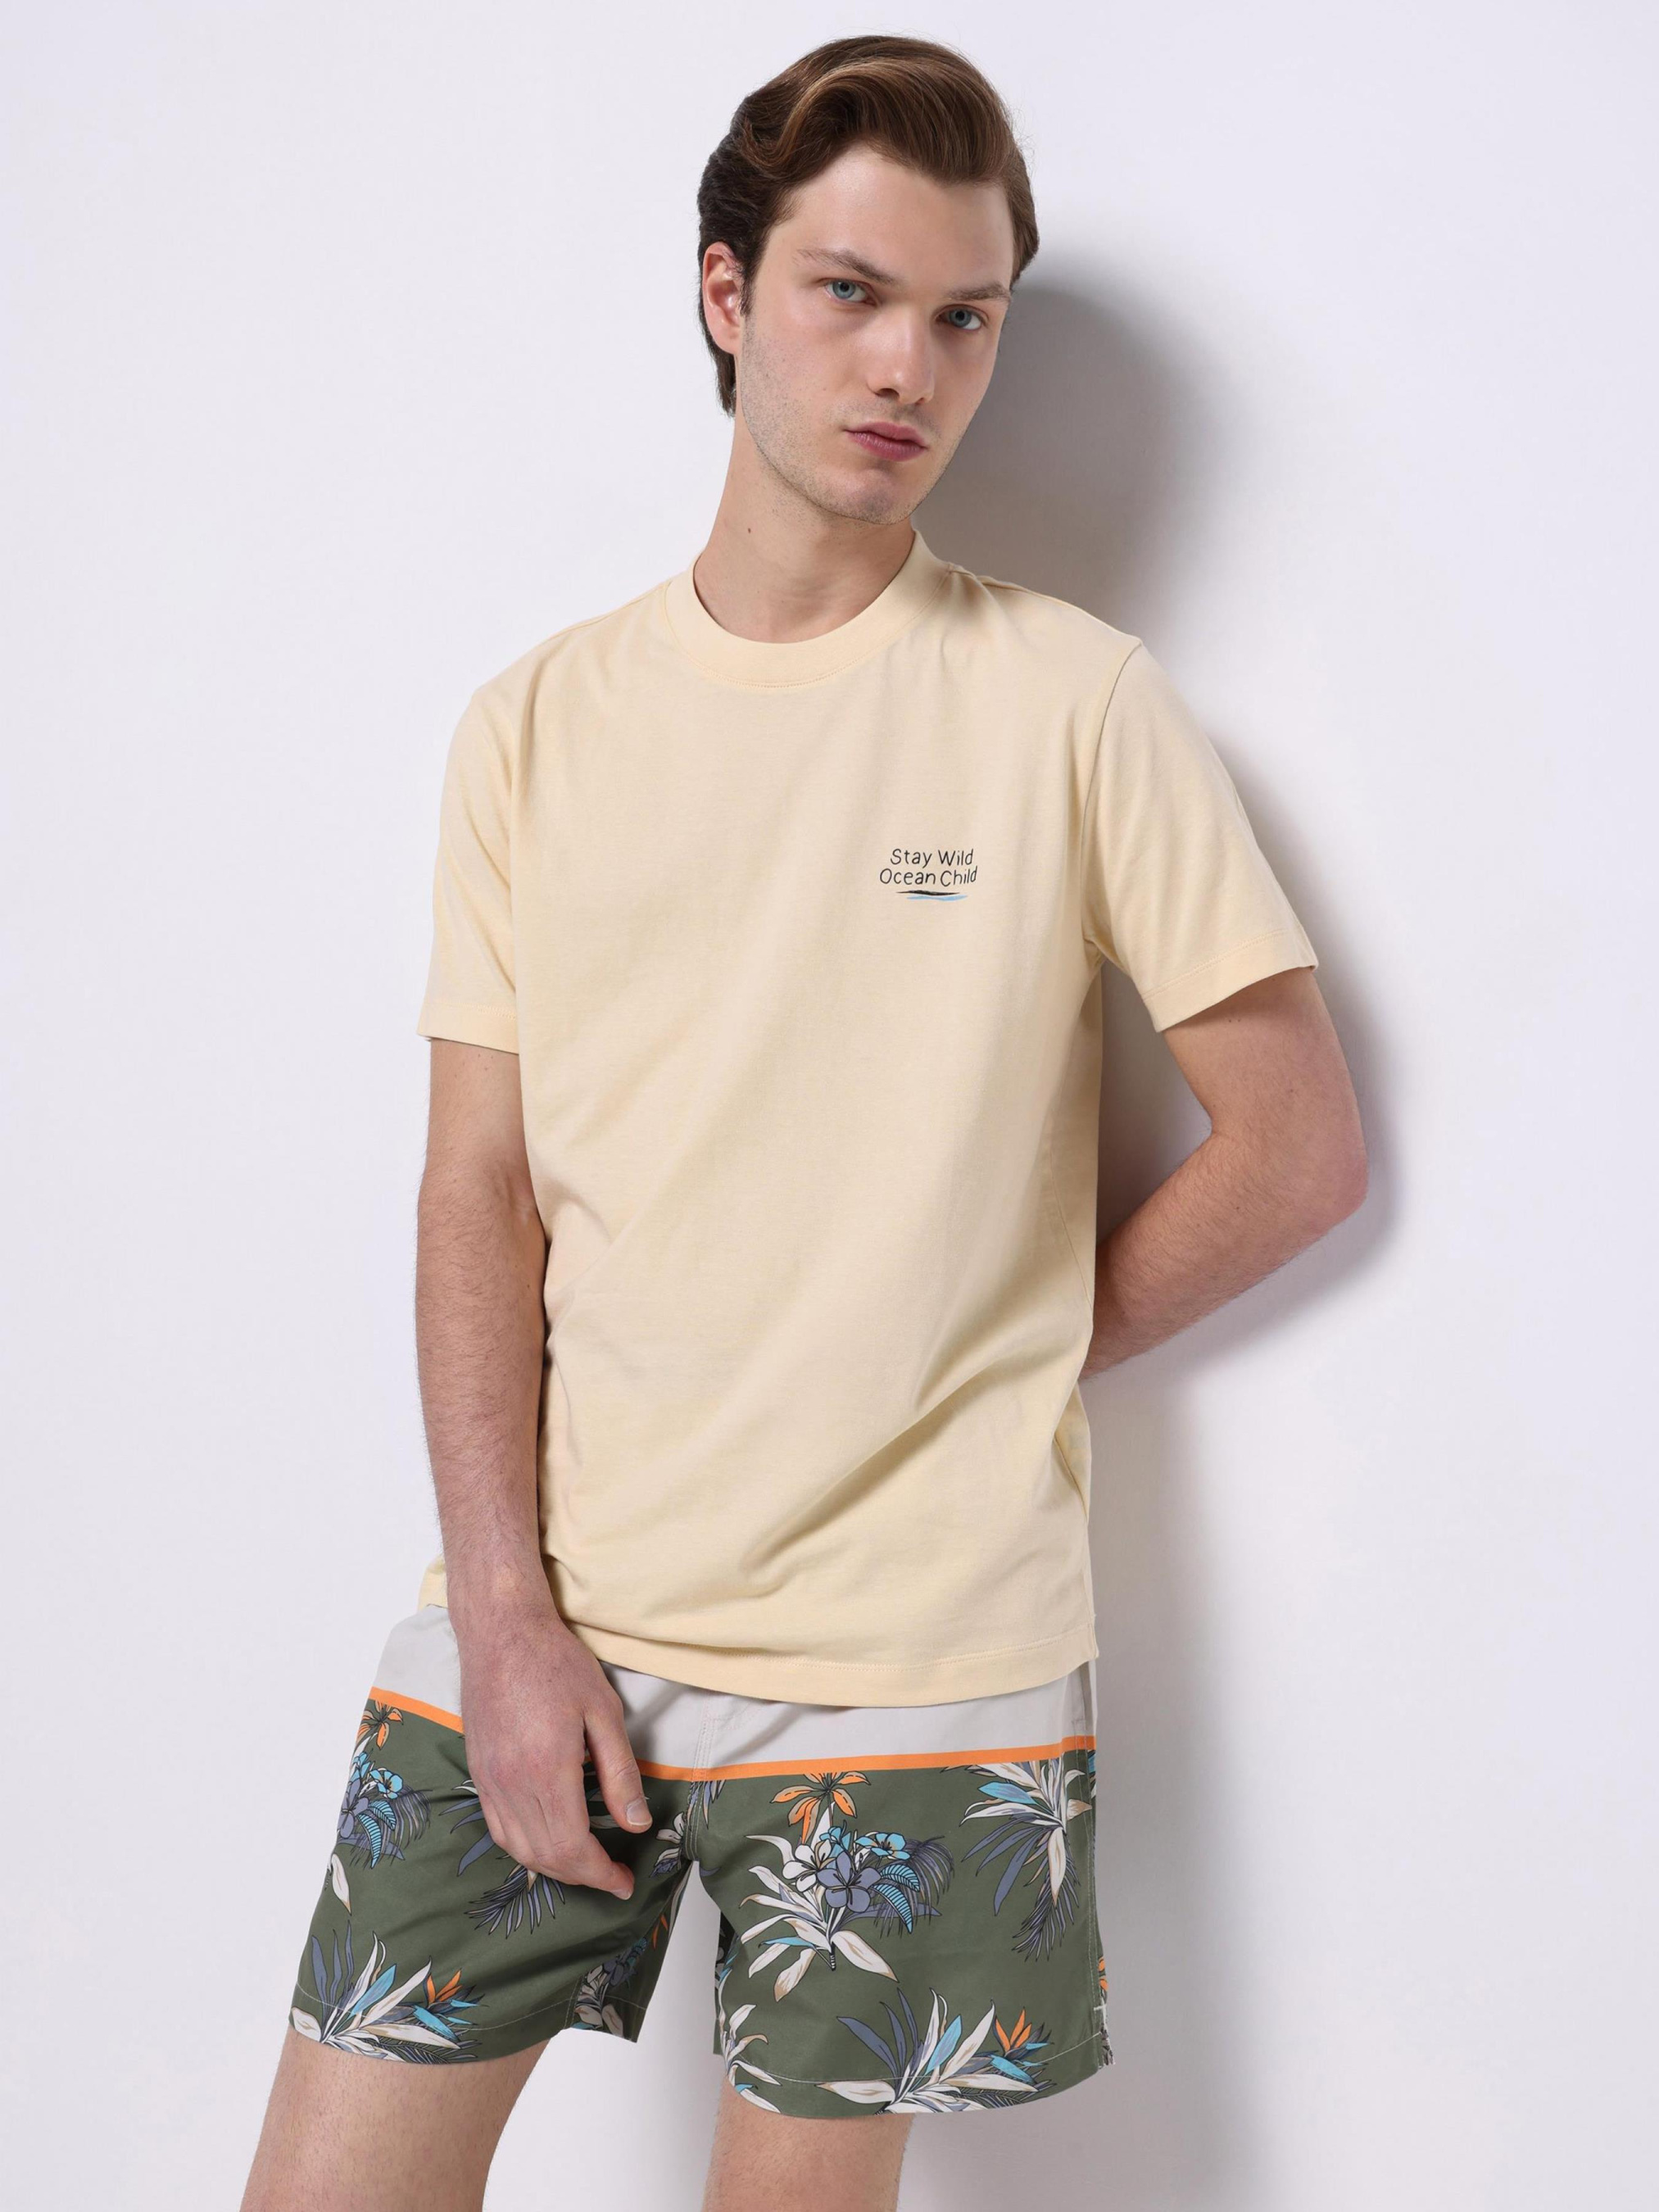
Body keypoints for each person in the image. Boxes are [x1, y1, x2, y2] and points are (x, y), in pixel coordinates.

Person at [241, 32, 1367, 2212]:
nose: (908, 366)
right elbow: (477, 1187)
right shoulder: (537, 725)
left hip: (918, 1665)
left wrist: (1002, 1339)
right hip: (553, 1612)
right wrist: (503, 1617)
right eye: (851, 291)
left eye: (965, 316)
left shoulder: (1074, 703)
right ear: (727, 292)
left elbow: (1297, 1144)